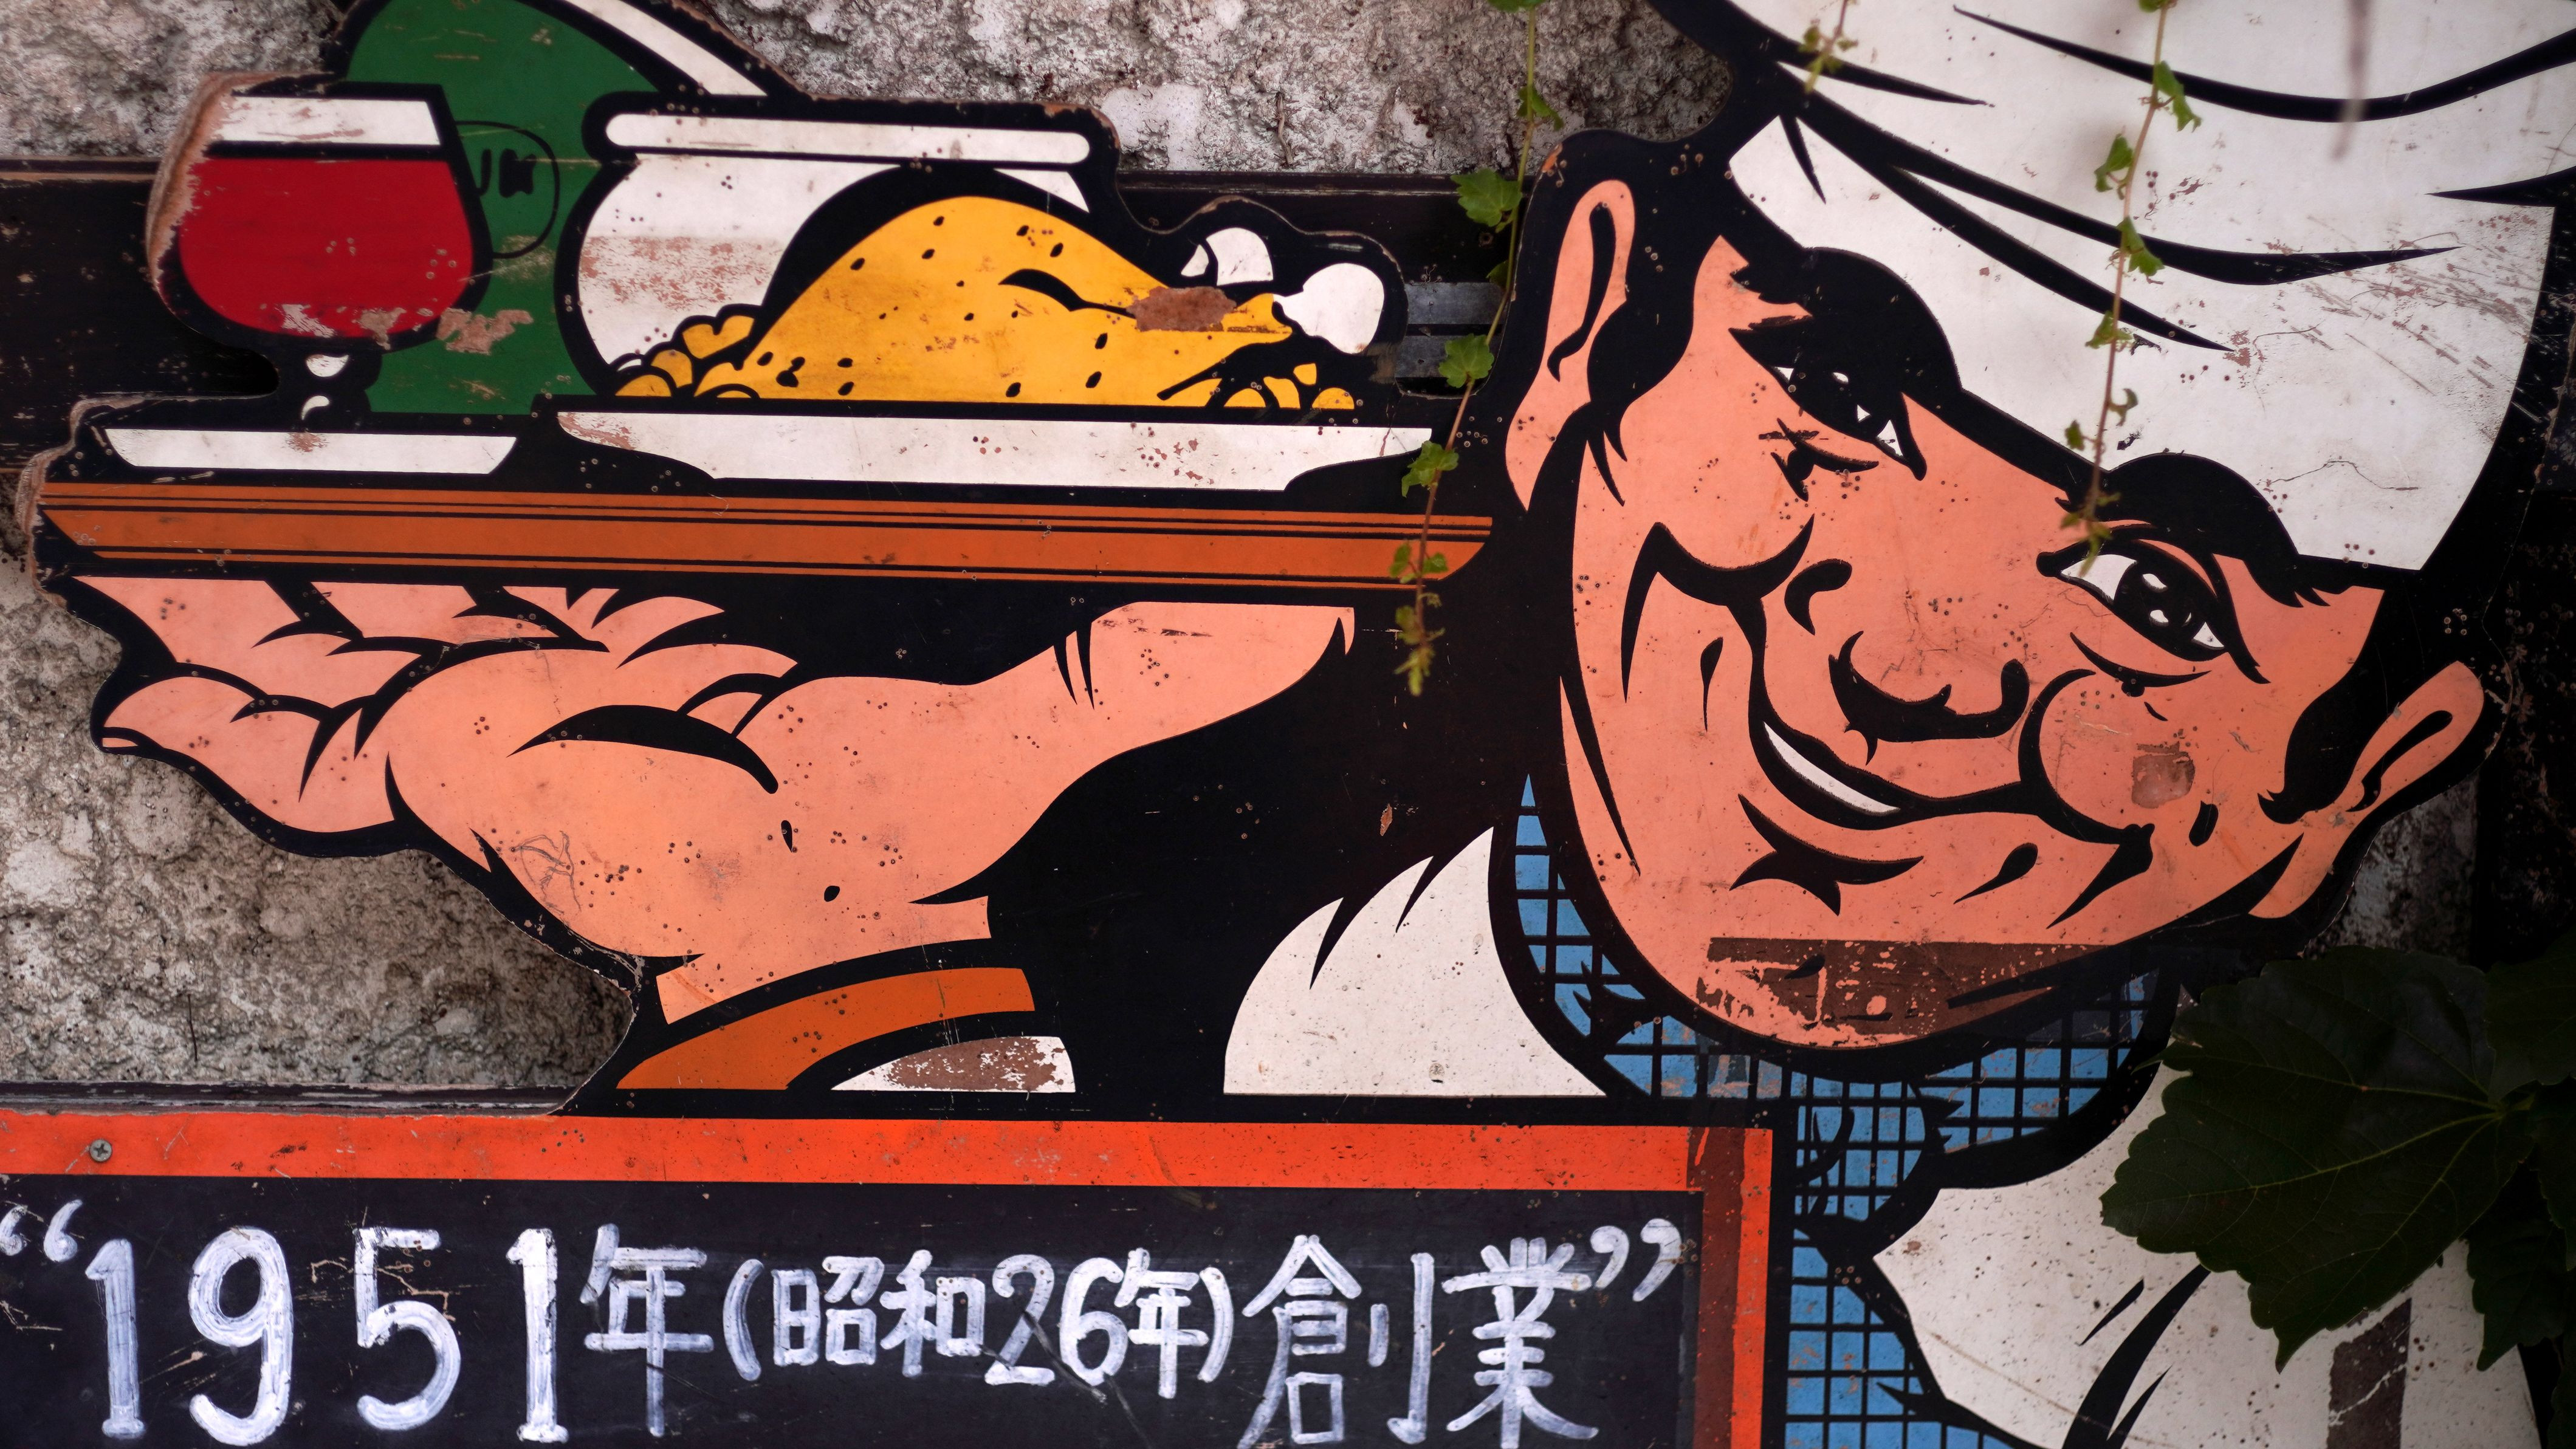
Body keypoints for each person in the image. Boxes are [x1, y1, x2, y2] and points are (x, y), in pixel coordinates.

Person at [30, 0, 2576, 1441]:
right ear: (1586, 333)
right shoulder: (1201, 1026)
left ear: (2351, 778)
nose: (1907, 658)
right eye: (1834, 391)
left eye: (2153, 589)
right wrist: (797, 1010)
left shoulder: (2373, 1341)